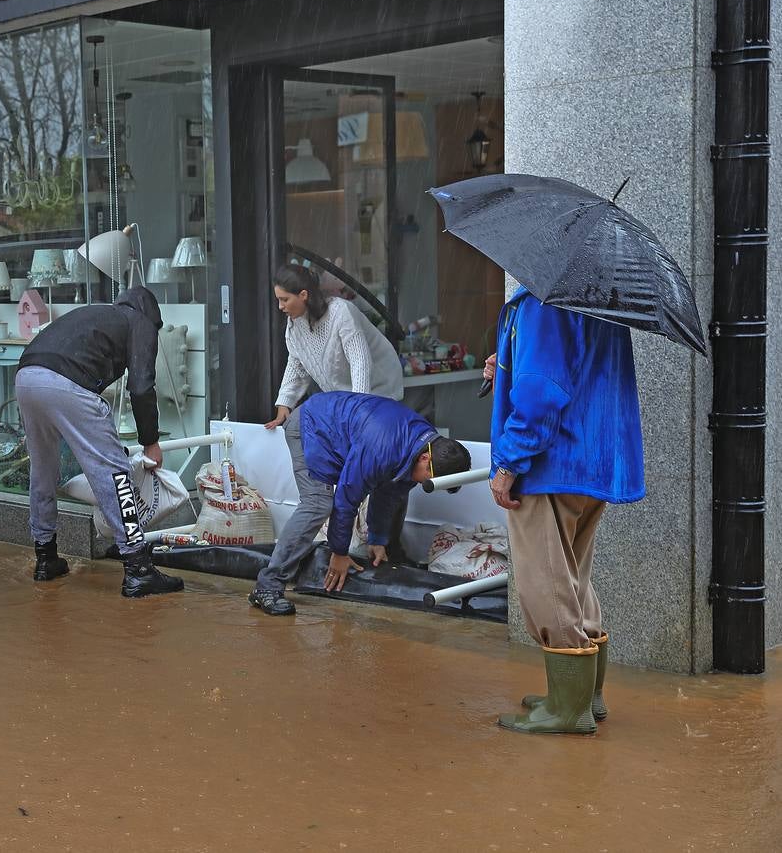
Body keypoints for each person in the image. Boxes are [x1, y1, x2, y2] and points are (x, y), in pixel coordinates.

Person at [486, 288, 643, 736]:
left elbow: (541, 390)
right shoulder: (601, 295)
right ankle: (585, 695)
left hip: (551, 463)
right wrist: (507, 360)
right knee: (571, 574)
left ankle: (566, 708)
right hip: (591, 459)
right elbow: (577, 370)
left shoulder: (543, 302)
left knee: (545, 582)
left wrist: (508, 463)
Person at [15, 285, 184, 598]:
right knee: (115, 472)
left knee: (43, 470)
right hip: (65, 382)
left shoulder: (97, 314)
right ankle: (138, 568)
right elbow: (142, 386)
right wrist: (150, 441)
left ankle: (45, 556)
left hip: (26, 377)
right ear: (151, 315)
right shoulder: (140, 322)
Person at [248, 391, 471, 615]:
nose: (422, 482)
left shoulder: (422, 445)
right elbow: (346, 497)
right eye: (427, 478)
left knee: (399, 490)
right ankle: (268, 586)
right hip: (312, 426)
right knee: (317, 504)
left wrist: (377, 539)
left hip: (338, 429)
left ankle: (387, 551)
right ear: (426, 458)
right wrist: (339, 552)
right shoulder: (382, 448)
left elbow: (389, 493)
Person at [264, 264, 411, 567]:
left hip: (378, 393)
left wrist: (358, 414)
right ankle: (365, 544)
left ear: (303, 295)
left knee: (389, 469)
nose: (280, 307)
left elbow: (360, 362)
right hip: (346, 402)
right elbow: (297, 365)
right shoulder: (294, 326)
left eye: (284, 300)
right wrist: (284, 406)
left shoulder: (341, 312)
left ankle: (387, 545)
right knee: (362, 472)